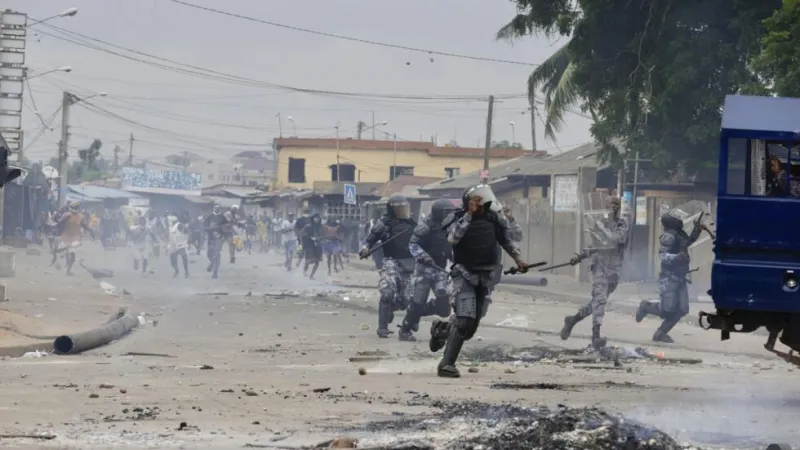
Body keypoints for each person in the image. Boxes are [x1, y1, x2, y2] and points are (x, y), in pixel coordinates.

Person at [428, 185, 527, 377]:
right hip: (464, 274)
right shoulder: (456, 218)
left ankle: (441, 330)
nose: (481, 204)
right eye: (477, 201)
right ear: (469, 202)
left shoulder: (493, 219)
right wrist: (468, 216)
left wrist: (519, 260)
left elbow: (506, 241)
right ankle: (446, 365)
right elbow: (453, 238)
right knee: (464, 319)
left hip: (485, 276)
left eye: (483, 201)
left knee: (470, 328)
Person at [559, 196, 628, 349]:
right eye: (610, 205)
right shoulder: (600, 222)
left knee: (596, 303)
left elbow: (616, 239)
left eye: (616, 205)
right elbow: (595, 245)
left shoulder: (622, 224)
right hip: (600, 266)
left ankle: (572, 320)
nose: (613, 207)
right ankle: (595, 336)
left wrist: (601, 227)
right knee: (600, 300)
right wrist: (580, 257)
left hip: (614, 269)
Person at [635, 210, 705, 342]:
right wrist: (677, 257)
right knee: (667, 310)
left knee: (682, 309)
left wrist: (697, 230)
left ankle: (660, 333)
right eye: (678, 220)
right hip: (669, 277)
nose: (680, 221)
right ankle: (646, 306)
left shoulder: (679, 234)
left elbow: (687, 242)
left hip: (681, 277)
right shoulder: (668, 236)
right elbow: (662, 256)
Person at [398, 198, 456, 342]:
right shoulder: (425, 227)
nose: (449, 215)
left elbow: (451, 247)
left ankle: (417, 314)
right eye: (446, 212)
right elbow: (412, 245)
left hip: (440, 269)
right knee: (418, 301)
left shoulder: (450, 227)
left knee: (444, 306)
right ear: (438, 212)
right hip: (424, 269)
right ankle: (405, 330)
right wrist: (424, 256)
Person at [359, 195, 417, 338]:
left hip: (409, 263)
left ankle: (392, 311)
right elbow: (370, 239)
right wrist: (365, 249)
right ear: (392, 210)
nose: (403, 211)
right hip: (391, 261)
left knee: (407, 300)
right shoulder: (384, 223)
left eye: (405, 208)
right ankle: (382, 328)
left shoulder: (412, 223)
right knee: (387, 293)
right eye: (400, 208)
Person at [52, 202, 94, 275]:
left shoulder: (80, 216)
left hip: (75, 238)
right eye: (75, 208)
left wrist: (91, 231)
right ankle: (57, 263)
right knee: (57, 251)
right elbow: (59, 221)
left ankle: (67, 271)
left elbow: (84, 225)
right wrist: (55, 217)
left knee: (72, 255)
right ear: (71, 208)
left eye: (77, 208)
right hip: (65, 237)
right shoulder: (66, 215)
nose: (76, 209)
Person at [204, 205, 228, 279]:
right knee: (209, 254)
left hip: (219, 239)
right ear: (213, 209)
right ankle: (212, 263)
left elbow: (227, 227)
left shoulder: (222, 218)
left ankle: (215, 273)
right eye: (215, 208)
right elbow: (205, 227)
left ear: (219, 209)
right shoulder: (209, 217)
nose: (217, 209)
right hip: (210, 238)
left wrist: (224, 235)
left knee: (216, 255)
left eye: (218, 208)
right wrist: (210, 228)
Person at [301, 213, 324, 279]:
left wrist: (320, 238)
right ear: (313, 218)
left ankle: (311, 275)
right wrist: (310, 238)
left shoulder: (321, 226)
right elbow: (303, 234)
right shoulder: (308, 226)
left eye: (318, 218)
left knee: (317, 261)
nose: (316, 219)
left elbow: (323, 235)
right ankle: (304, 269)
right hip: (310, 245)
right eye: (315, 217)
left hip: (318, 245)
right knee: (310, 260)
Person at [169, 212, 191, 278]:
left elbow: (188, 231)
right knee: (172, 260)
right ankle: (176, 270)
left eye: (174, 216)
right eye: (171, 216)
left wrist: (188, 241)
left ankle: (186, 271)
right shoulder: (170, 226)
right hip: (173, 245)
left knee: (184, 257)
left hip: (181, 244)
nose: (172, 217)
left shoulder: (179, 225)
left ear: (176, 217)